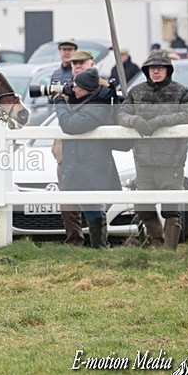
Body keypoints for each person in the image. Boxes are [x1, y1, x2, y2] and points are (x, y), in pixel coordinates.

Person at [116, 51, 188, 248]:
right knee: (144, 208)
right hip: (144, 160)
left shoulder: (181, 91)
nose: (156, 71)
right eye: (153, 68)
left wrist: (162, 121)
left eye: (160, 68)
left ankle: (169, 251)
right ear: (147, 71)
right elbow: (121, 114)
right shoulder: (136, 92)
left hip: (172, 161)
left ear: (168, 70)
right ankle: (158, 244)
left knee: (171, 209)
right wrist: (134, 121)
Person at [53, 68, 121, 248]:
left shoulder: (97, 108)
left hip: (90, 164)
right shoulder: (91, 100)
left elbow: (69, 125)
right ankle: (95, 246)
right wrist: (69, 96)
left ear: (88, 90)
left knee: (92, 204)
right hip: (81, 161)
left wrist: (59, 102)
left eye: (76, 86)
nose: (73, 89)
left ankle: (99, 246)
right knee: (86, 203)